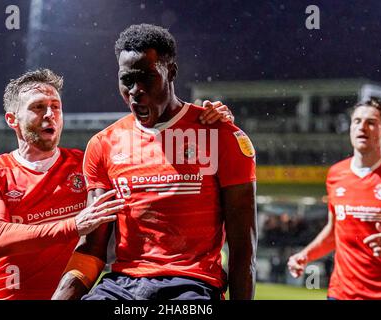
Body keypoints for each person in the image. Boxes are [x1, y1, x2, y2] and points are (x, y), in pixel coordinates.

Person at [0, 69, 233, 300]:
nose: (50, 114)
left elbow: (152, 161)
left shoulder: (86, 164)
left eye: (56, 106)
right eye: (38, 107)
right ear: (12, 119)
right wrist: (74, 225)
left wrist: (205, 121)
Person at [52, 24, 257, 300]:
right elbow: (92, 247)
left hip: (191, 286)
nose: (135, 91)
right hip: (121, 286)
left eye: (147, 77)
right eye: (127, 80)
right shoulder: (103, 144)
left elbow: (243, 248)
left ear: (170, 72)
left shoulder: (221, 136)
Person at [287, 99, 381, 300]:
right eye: (357, 121)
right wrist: (305, 255)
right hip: (341, 293)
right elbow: (334, 231)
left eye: (371, 122)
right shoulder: (336, 174)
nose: (362, 127)